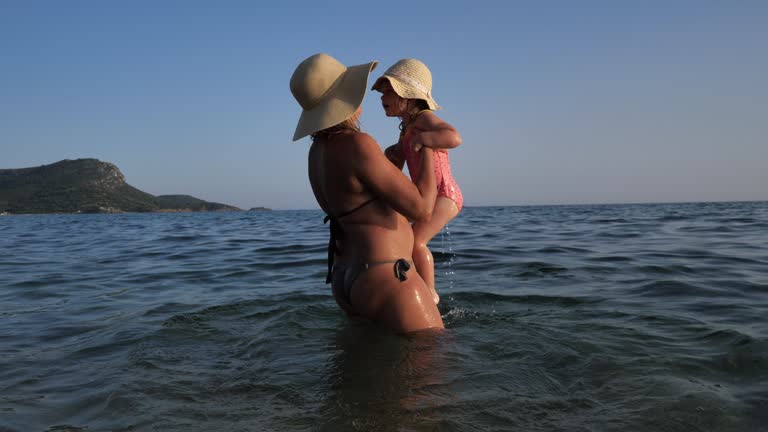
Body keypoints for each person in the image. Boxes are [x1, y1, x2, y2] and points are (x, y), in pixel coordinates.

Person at [289, 53, 444, 333]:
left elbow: (362, 198)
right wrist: (428, 146)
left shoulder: (316, 153)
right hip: (388, 275)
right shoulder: (358, 144)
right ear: (342, 101)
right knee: (433, 365)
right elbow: (422, 209)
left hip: (345, 280)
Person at [371, 59, 463, 305]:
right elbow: (397, 159)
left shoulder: (423, 119)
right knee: (405, 238)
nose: (382, 97)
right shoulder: (407, 127)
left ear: (409, 96)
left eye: (389, 91)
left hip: (446, 195)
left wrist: (426, 140)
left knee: (417, 240)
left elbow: (453, 137)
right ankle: (410, 284)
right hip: (428, 197)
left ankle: (429, 294)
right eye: (382, 92)